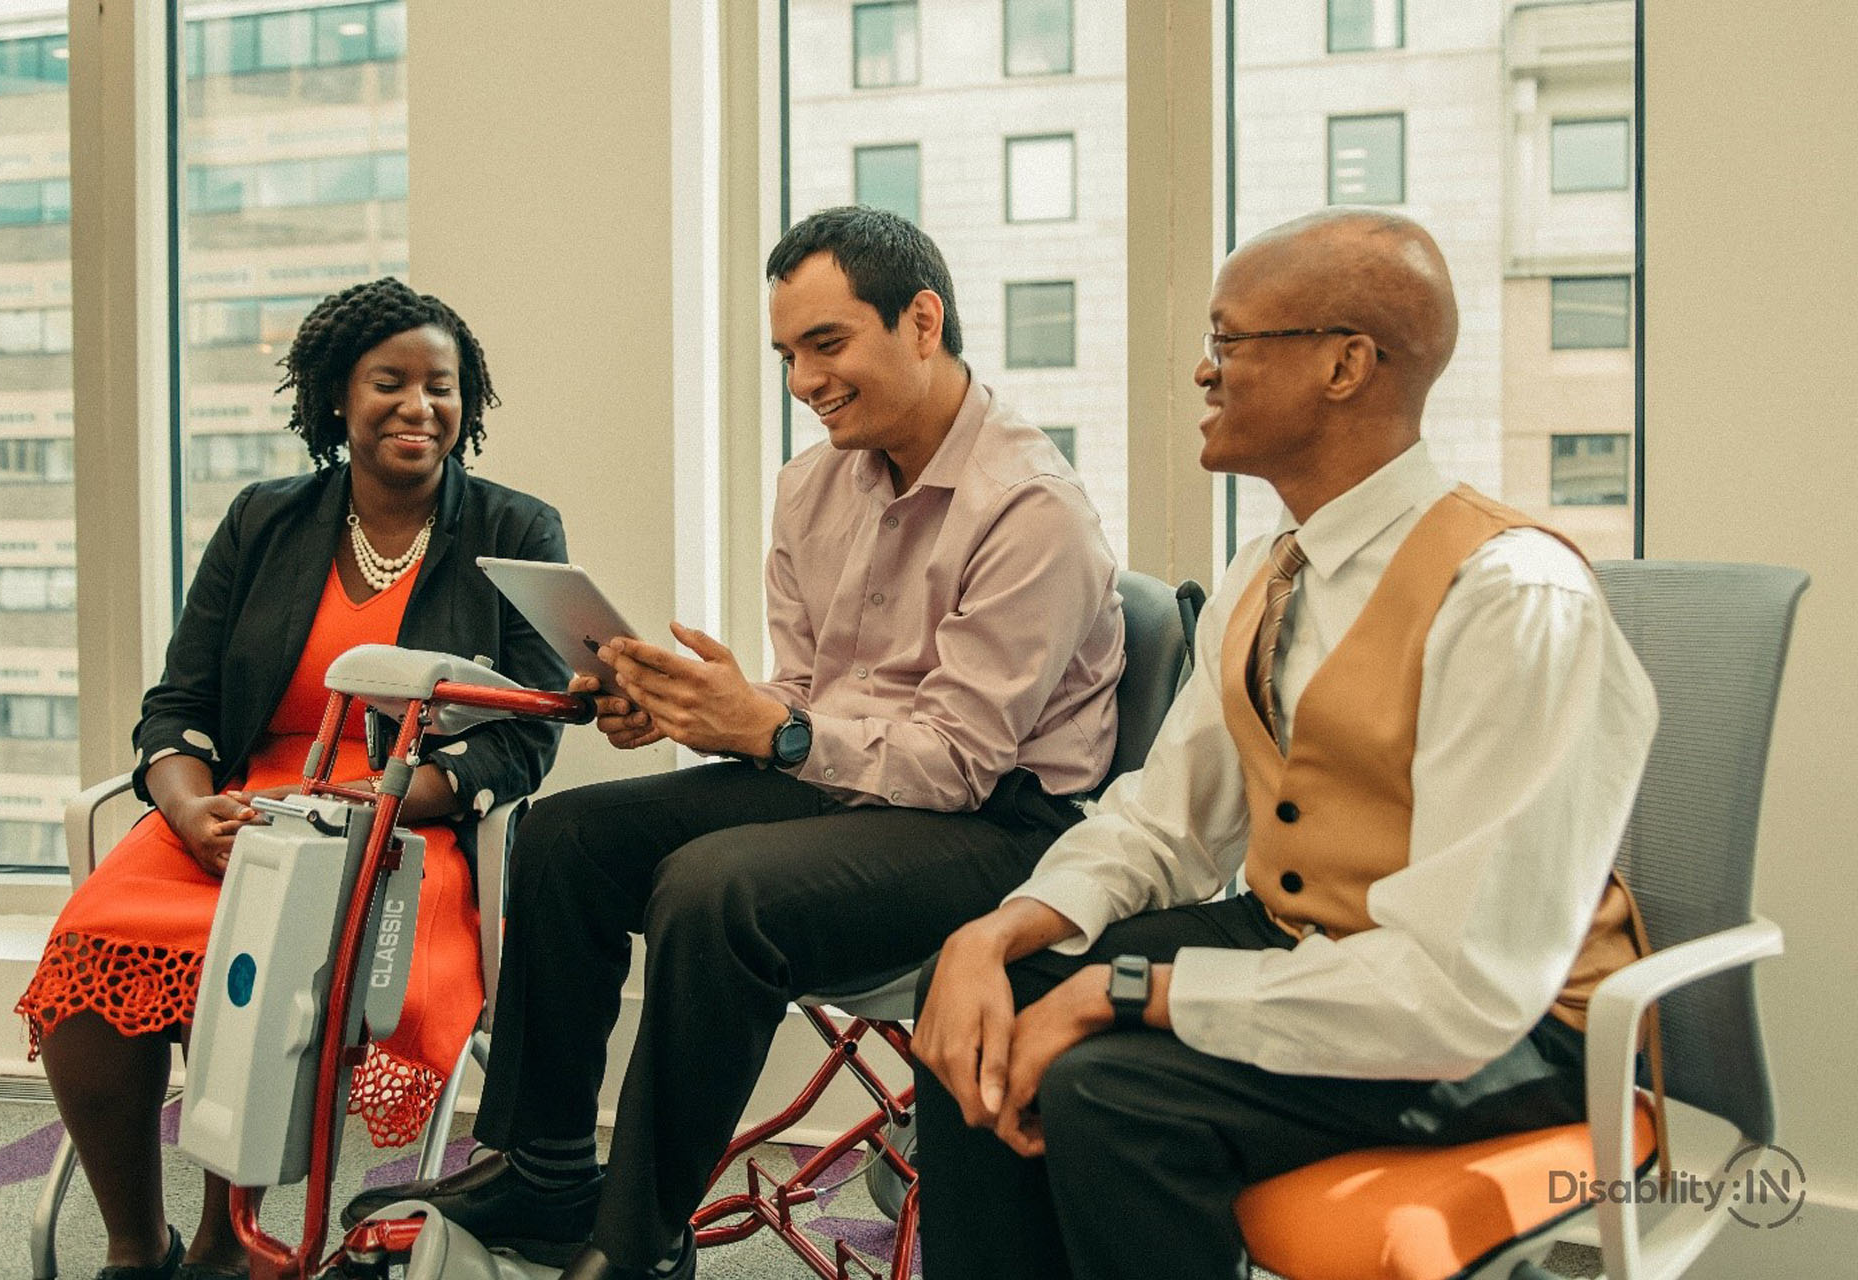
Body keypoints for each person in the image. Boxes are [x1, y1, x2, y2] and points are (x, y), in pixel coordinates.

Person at [346, 206, 1126, 1280]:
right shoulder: (815, 486)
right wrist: (693, 705)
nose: (805, 379)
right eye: (788, 354)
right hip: (861, 793)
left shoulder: (1032, 510)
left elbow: (955, 760)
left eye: (828, 344)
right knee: (567, 835)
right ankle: (546, 1164)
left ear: (923, 320)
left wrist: (778, 727)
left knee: (717, 889)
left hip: (1000, 828)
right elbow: (812, 700)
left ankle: (640, 1234)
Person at [909, 208, 1660, 1280]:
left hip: (1518, 1028)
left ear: (1347, 364)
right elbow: (1164, 819)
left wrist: (1130, 989)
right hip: (1311, 948)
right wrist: (994, 934)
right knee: (979, 1015)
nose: (1203, 372)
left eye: (1228, 339)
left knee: (1109, 1093)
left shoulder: (1511, 597)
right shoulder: (1269, 570)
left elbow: (1463, 984)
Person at [14, 277, 571, 1280]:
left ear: (467, 399)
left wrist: (400, 793)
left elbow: (525, 736)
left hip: (409, 825)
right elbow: (175, 703)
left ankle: (240, 1242)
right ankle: (140, 1248)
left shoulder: (514, 529)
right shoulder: (263, 521)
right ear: (334, 398)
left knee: (282, 956)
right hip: (238, 812)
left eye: (440, 385)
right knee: (91, 949)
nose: (419, 405)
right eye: (388, 382)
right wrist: (187, 809)